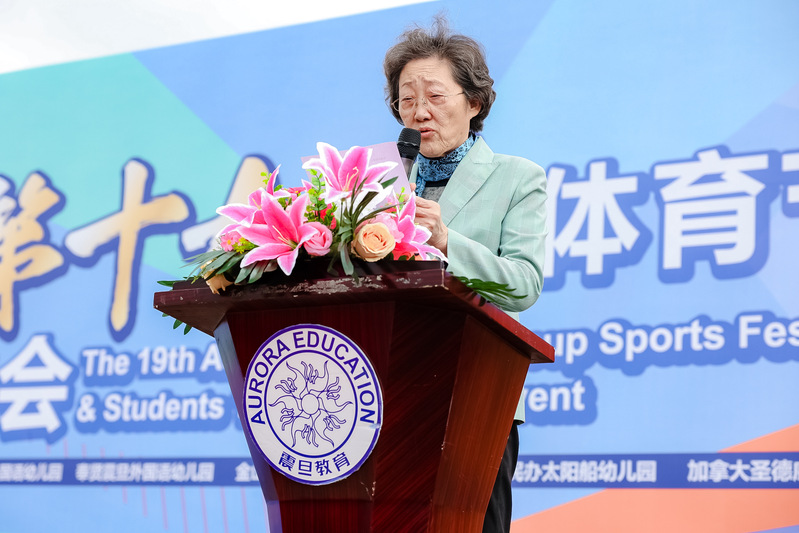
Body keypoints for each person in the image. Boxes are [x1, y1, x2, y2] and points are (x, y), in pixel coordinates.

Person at [383, 18, 547, 533]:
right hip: (386, 394)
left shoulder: (518, 178)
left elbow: (524, 283)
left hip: (475, 395)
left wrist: (447, 241)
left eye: (434, 96)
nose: (419, 111)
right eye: (406, 100)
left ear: (474, 102)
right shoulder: (383, 186)